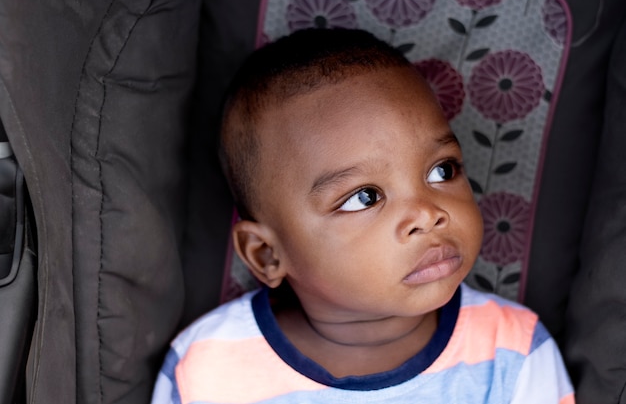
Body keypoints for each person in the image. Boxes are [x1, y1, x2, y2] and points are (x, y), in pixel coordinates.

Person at [151, 28, 575, 404]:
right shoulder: (210, 369)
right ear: (266, 255)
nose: (428, 214)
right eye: (364, 197)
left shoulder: (513, 352)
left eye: (441, 170)